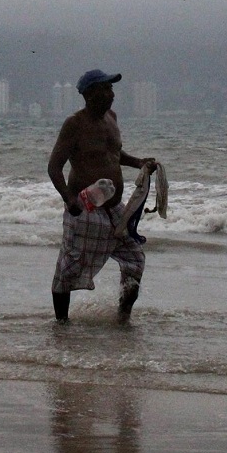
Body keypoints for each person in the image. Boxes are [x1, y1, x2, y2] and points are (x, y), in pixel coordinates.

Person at [47, 69, 157, 324]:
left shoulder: (112, 117)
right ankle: (61, 324)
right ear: (89, 94)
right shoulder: (74, 124)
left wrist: (140, 163)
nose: (111, 94)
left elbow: (115, 155)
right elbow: (54, 166)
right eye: (106, 89)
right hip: (85, 207)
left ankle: (123, 319)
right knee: (68, 267)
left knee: (134, 259)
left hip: (115, 208)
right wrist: (68, 198)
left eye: (111, 88)